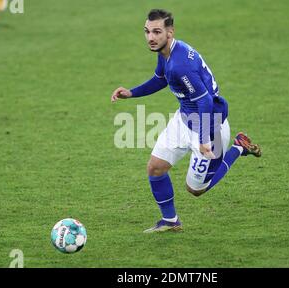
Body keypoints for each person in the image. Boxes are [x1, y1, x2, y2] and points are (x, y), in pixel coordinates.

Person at [111, 9, 262, 233]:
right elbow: (160, 79)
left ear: (170, 33)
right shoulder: (167, 52)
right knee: (155, 168)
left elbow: (205, 102)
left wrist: (203, 140)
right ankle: (171, 221)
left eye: (157, 32)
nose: (151, 37)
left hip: (211, 128)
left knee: (196, 190)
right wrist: (131, 93)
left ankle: (239, 147)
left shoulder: (180, 65)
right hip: (184, 119)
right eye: (147, 31)